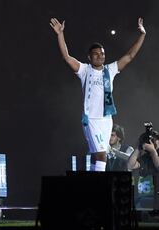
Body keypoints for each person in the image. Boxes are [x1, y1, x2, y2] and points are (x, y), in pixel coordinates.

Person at [50, 17, 146, 171]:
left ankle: (95, 185)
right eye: (95, 54)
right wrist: (60, 34)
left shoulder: (110, 70)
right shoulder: (84, 70)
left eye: (102, 53)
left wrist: (142, 35)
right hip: (91, 120)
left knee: (101, 156)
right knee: (102, 156)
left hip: (106, 119)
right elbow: (67, 58)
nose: (100, 56)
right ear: (89, 57)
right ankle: (98, 189)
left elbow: (129, 56)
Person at [127, 125, 159, 212]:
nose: (150, 142)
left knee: (140, 202)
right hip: (143, 197)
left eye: (153, 140)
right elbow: (130, 166)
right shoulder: (145, 157)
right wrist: (139, 147)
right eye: (148, 141)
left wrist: (153, 151)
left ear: (158, 141)